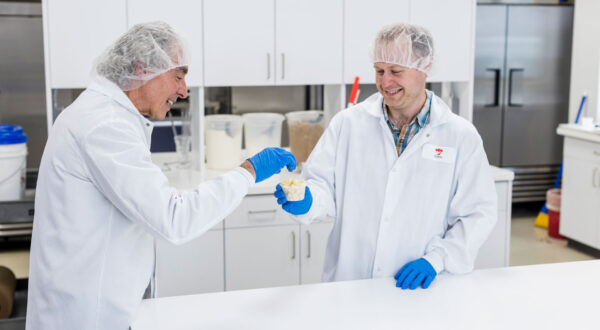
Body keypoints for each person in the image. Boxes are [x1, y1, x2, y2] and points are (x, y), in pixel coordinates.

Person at [26, 22, 296, 330]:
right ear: (143, 69)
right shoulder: (104, 125)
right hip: (84, 317)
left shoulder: (107, 115)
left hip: (93, 308)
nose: (183, 90)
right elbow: (174, 218)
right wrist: (248, 171)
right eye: (178, 76)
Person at [274, 22, 497, 290]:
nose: (385, 82)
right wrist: (308, 200)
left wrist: (437, 260)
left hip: (419, 289)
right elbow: (322, 185)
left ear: (424, 67)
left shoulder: (460, 136)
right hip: (350, 284)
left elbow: (478, 213)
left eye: (395, 71)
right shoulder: (348, 124)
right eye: (379, 71)